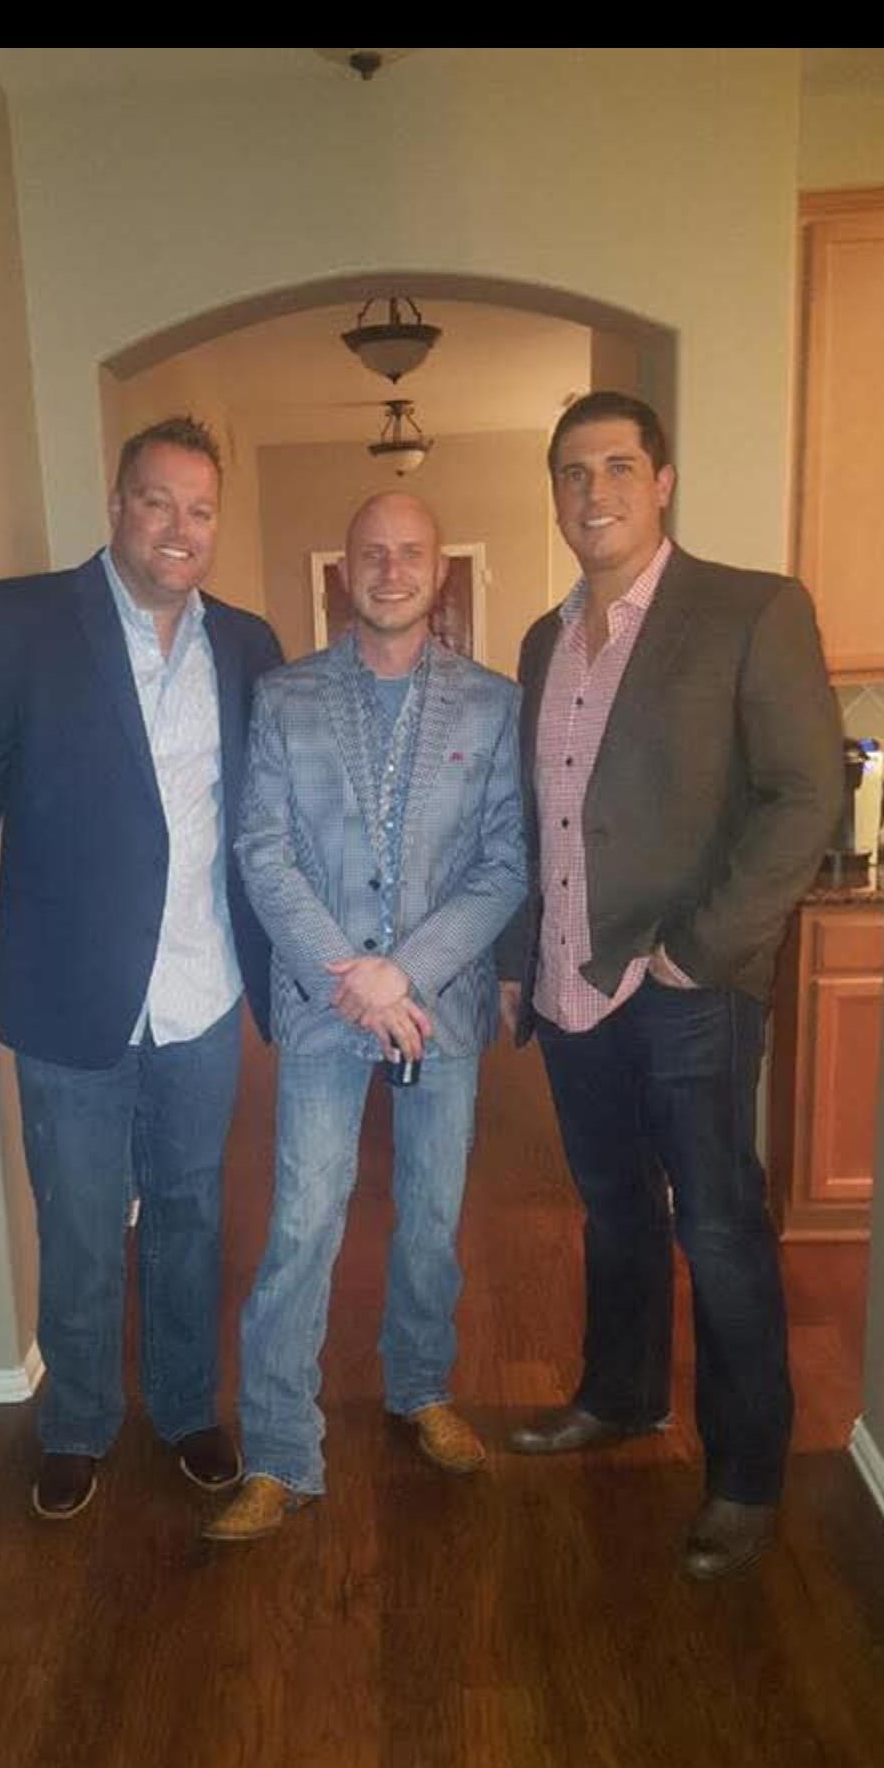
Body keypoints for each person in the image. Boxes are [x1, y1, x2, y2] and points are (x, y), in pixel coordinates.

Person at [0, 416, 282, 1519]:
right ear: (117, 506)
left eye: (200, 510)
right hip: (68, 986)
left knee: (190, 1210)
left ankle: (183, 1407)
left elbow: (271, 812)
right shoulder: (22, 619)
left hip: (203, 990)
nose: (179, 527)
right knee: (76, 1217)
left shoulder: (249, 645)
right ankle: (75, 1419)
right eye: (158, 501)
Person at [498, 391, 843, 1580]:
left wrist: (700, 949)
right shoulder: (546, 641)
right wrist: (517, 963)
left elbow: (808, 796)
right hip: (569, 980)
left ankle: (747, 1472)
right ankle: (622, 1394)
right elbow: (539, 822)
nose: (593, 493)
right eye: (571, 473)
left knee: (720, 1223)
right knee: (612, 1209)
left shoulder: (749, 609)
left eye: (616, 467)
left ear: (664, 481)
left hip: (690, 980)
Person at [203, 491, 527, 1542]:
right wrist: (352, 975)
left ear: (440, 571)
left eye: (412, 552)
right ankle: (282, 1451)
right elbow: (262, 851)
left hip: (438, 1010)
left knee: (431, 1216)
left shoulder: (492, 705)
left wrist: (407, 975)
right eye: (372, 554)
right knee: (301, 1223)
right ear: (344, 573)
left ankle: (420, 1387)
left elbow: (503, 867)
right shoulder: (285, 696)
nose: (392, 569)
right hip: (321, 1004)